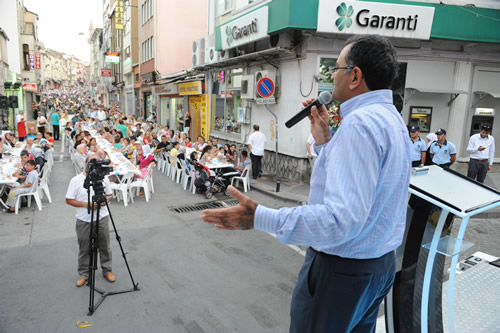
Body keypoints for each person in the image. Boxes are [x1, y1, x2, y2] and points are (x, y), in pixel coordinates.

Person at [200, 35, 411, 332]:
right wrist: (325, 141)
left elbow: (341, 220)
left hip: (342, 272)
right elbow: (367, 191)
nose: (330, 78)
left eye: (335, 70)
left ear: (355, 76)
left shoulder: (360, 124)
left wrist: (260, 217)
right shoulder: (391, 120)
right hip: (378, 266)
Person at [65, 155, 115, 287]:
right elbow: (68, 199)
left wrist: (105, 201)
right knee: (84, 247)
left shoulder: (104, 179)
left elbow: (109, 195)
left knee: (105, 246)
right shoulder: (76, 180)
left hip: (102, 217)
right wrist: (86, 205)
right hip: (83, 220)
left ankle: (107, 270)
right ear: (86, 164)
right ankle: (84, 274)